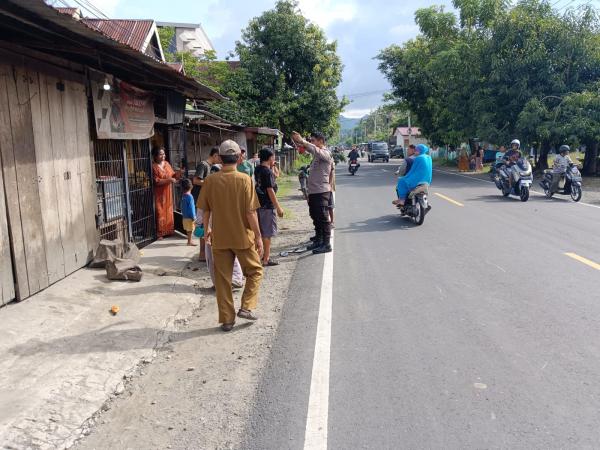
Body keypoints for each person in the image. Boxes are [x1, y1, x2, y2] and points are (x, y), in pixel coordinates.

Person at [198, 140, 264, 332]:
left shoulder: (210, 180)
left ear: (220, 157)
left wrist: (207, 229)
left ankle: (227, 320)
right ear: (238, 157)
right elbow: (251, 213)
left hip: (220, 238)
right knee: (255, 271)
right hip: (242, 237)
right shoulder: (244, 180)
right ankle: (247, 306)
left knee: (222, 280)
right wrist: (258, 237)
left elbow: (206, 210)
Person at [291, 131, 333, 255]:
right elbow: (310, 150)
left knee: (323, 218)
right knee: (315, 216)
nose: (312, 142)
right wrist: (299, 141)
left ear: (320, 141)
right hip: (314, 191)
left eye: (313, 140)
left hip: (321, 191)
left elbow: (314, 150)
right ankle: (319, 240)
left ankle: (326, 244)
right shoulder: (317, 154)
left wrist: (303, 141)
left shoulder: (326, 153)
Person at [255, 148, 285, 267]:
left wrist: (272, 167)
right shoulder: (267, 172)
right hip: (267, 206)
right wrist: (278, 207)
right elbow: (270, 190)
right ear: (270, 158)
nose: (274, 158)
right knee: (267, 234)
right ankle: (265, 259)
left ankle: (260, 256)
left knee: (260, 232)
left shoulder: (258, 169)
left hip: (258, 204)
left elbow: (275, 176)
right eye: (273, 156)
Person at [193, 147, 220, 260]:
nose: (220, 160)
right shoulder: (203, 165)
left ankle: (207, 253)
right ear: (215, 155)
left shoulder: (213, 167)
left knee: (208, 226)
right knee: (202, 226)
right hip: (201, 200)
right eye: (219, 157)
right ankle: (202, 254)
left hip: (208, 201)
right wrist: (210, 182)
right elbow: (195, 180)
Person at [152, 146, 183, 239]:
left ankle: (169, 230)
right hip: (159, 193)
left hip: (168, 192)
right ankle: (160, 233)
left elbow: (173, 175)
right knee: (160, 212)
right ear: (155, 156)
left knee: (168, 211)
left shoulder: (167, 164)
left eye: (164, 154)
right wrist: (169, 180)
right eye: (161, 154)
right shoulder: (153, 167)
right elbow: (156, 181)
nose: (163, 156)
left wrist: (179, 172)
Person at [180, 179, 196, 246]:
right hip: (190, 217)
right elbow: (191, 208)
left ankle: (189, 240)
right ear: (191, 187)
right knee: (191, 230)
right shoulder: (190, 197)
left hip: (184, 217)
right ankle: (189, 241)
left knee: (188, 229)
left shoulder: (183, 196)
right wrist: (193, 216)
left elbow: (181, 206)